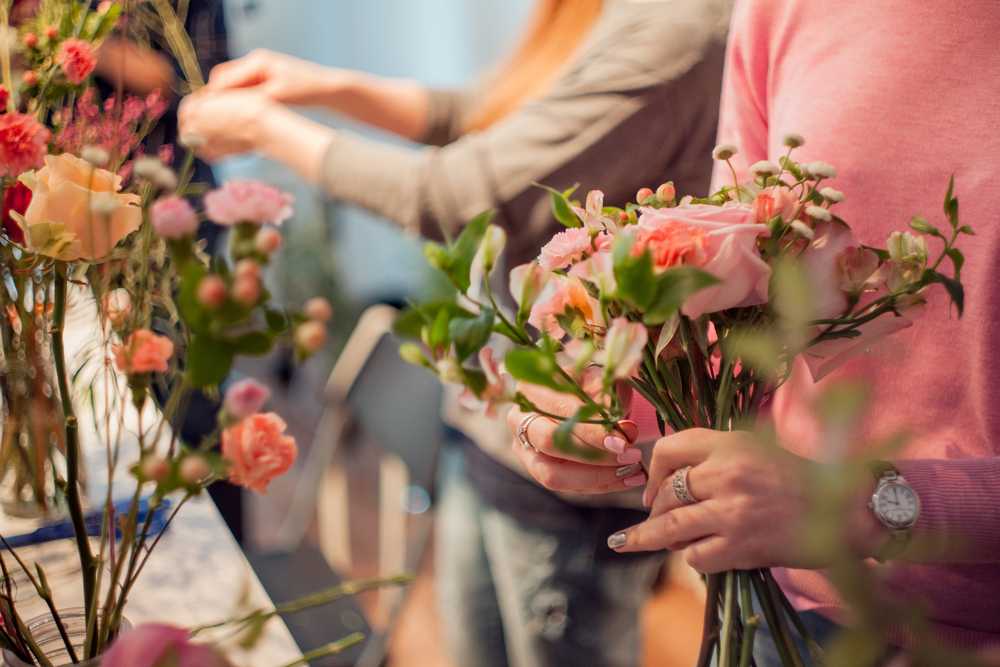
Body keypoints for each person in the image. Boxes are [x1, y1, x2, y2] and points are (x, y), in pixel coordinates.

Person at [178, 1, 733, 665]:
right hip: (491, 421)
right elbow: (491, 113)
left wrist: (266, 129)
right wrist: (317, 85)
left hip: (571, 462)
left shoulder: (682, 30)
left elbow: (454, 194)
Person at [506, 0, 1000, 664]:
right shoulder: (782, 10)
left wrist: (865, 501)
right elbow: (743, 314)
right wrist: (616, 402)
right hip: (781, 610)